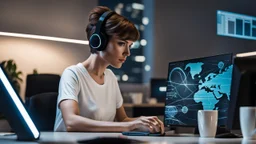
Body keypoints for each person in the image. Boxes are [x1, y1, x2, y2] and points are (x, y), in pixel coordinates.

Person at [54, 6, 164, 134]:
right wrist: (130, 126)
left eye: (130, 46)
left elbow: (123, 120)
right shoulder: (72, 74)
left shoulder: (110, 77)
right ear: (99, 41)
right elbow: (71, 122)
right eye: (121, 44)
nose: (127, 53)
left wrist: (143, 121)